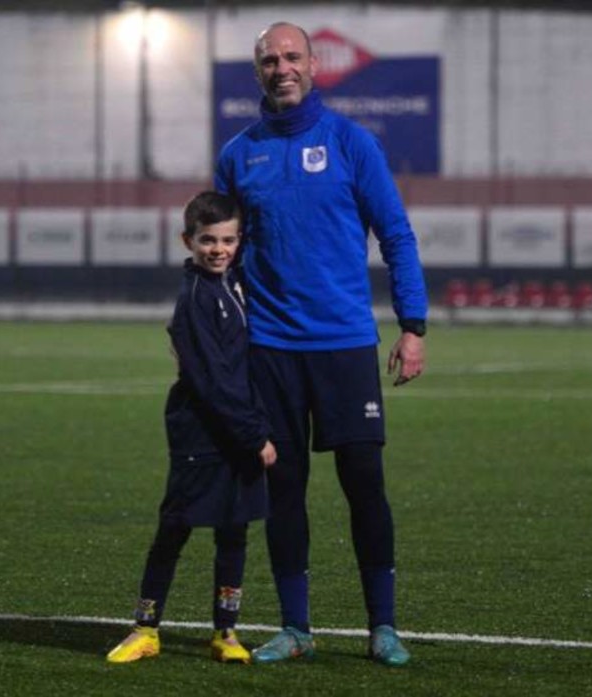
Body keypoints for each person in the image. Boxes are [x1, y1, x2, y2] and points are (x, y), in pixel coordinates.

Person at [214, 22, 427, 666]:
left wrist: (412, 326)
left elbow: (396, 235)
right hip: (271, 350)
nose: (282, 67)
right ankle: (296, 628)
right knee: (284, 488)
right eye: (269, 60)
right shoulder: (237, 154)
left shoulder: (351, 143)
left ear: (314, 65)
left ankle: (382, 626)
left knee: (364, 483)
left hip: (344, 346)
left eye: (291, 56)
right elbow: (223, 254)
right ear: (258, 72)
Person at [106, 191, 277, 665]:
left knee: (234, 530)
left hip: (238, 430)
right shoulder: (198, 297)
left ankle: (225, 631)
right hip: (202, 434)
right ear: (188, 240)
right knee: (175, 527)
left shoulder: (232, 284)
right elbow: (213, 381)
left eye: (227, 240)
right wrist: (255, 434)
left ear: (240, 241)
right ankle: (145, 628)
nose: (218, 249)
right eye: (207, 240)